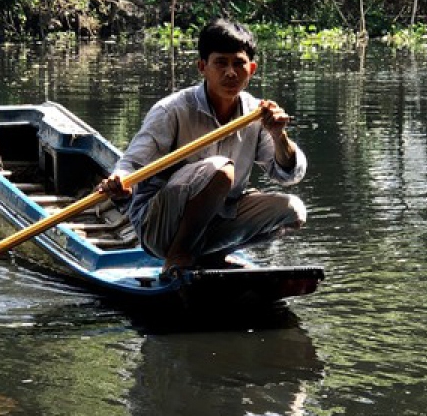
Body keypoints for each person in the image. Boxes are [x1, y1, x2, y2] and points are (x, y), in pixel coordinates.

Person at [97, 18, 308, 277]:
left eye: (239, 64)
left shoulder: (256, 113)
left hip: (217, 221)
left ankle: (214, 254)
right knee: (220, 170)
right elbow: (131, 164)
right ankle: (178, 256)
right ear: (202, 67)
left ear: (251, 68)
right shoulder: (172, 110)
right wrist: (119, 182)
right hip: (161, 227)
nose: (231, 73)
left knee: (293, 210)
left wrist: (278, 135)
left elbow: (289, 175)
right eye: (221, 63)